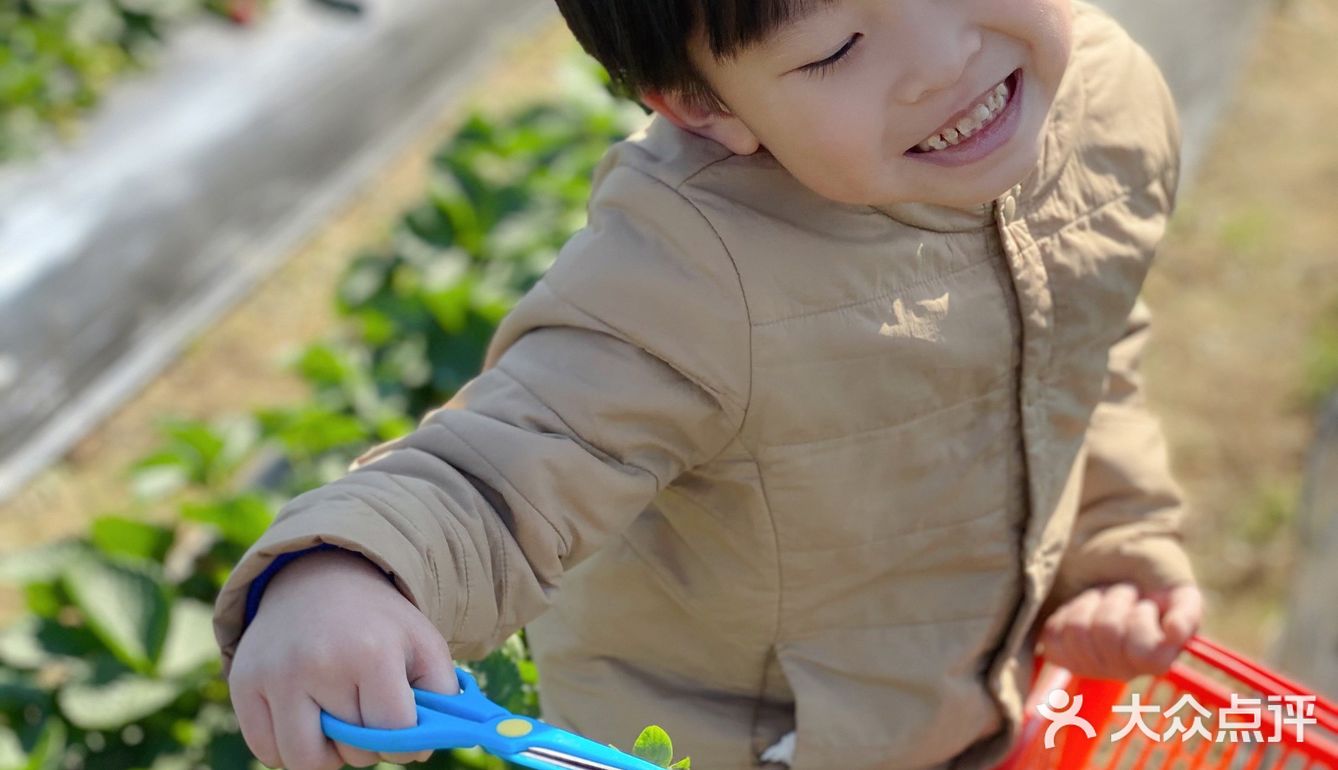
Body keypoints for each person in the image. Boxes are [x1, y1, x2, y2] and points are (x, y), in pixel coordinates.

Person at [211, 0, 1206, 768]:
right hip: (740, 739)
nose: (945, 60)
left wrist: (1116, 543)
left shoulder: (1107, 102)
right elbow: (504, 466)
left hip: (963, 695)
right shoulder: (687, 268)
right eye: (833, 49)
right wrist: (349, 570)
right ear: (706, 105)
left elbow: (1089, 350)